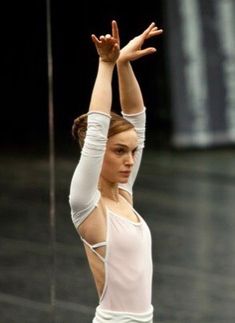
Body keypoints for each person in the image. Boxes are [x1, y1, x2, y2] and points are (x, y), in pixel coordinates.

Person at [69, 20, 163, 323]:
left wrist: (123, 64)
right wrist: (105, 64)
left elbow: (138, 122)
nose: (130, 161)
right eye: (120, 151)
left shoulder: (124, 196)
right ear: (96, 153)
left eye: (133, 152)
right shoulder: (86, 204)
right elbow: (97, 131)